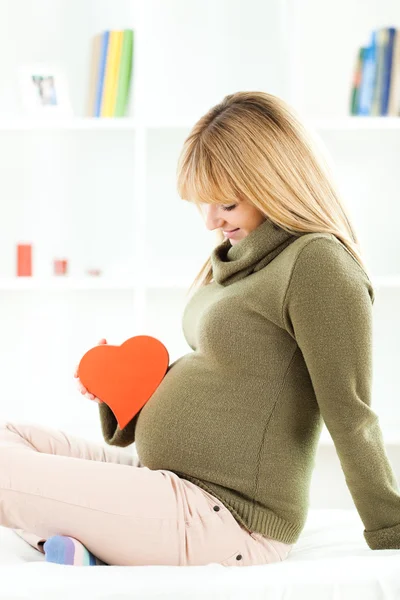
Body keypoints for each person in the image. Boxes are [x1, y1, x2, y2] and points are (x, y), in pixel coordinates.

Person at [1, 91, 400, 568]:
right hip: (169, 482)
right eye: (202, 204)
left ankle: (78, 540)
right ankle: (88, 546)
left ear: (278, 184)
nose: (211, 220)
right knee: (10, 436)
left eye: (226, 203)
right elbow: (228, 381)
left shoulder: (317, 264)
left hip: (225, 518)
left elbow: (351, 413)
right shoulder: (237, 258)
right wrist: (123, 390)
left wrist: (391, 532)